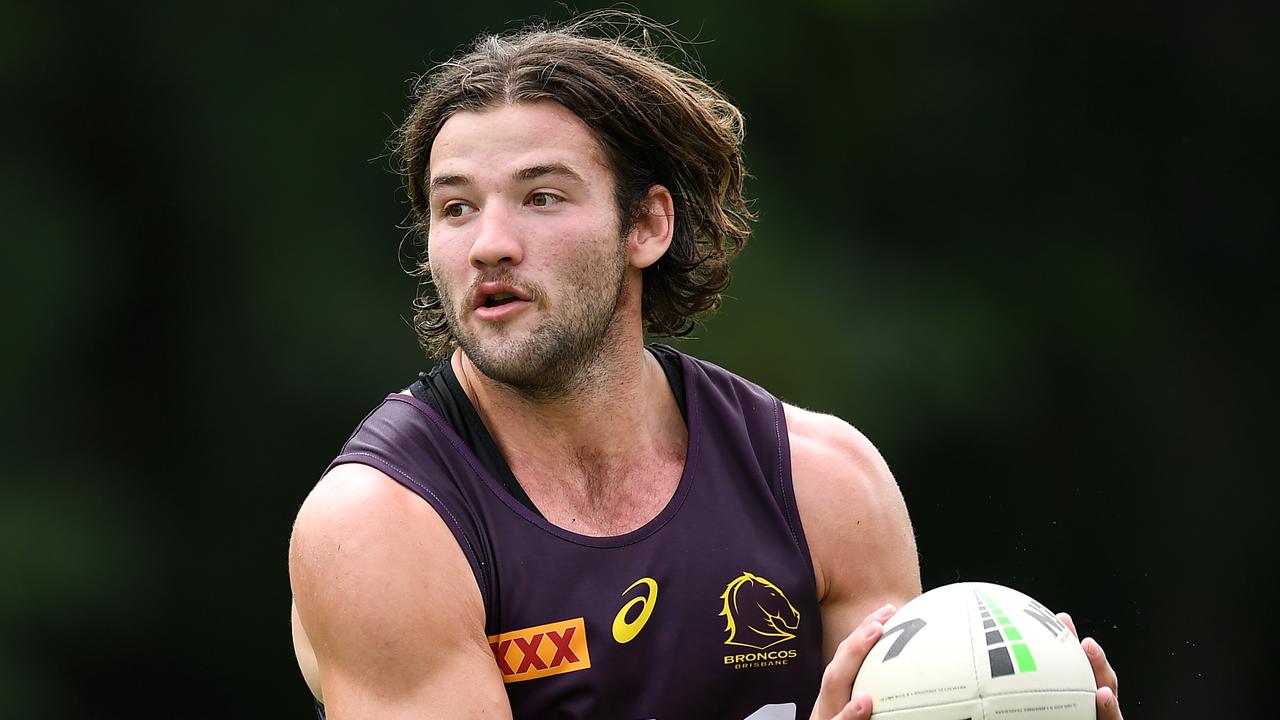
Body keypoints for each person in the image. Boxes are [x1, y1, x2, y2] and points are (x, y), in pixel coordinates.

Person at [288, 13, 1123, 720]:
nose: (490, 243)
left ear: (647, 225)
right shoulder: (376, 529)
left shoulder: (822, 484)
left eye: (542, 196)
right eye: (456, 207)